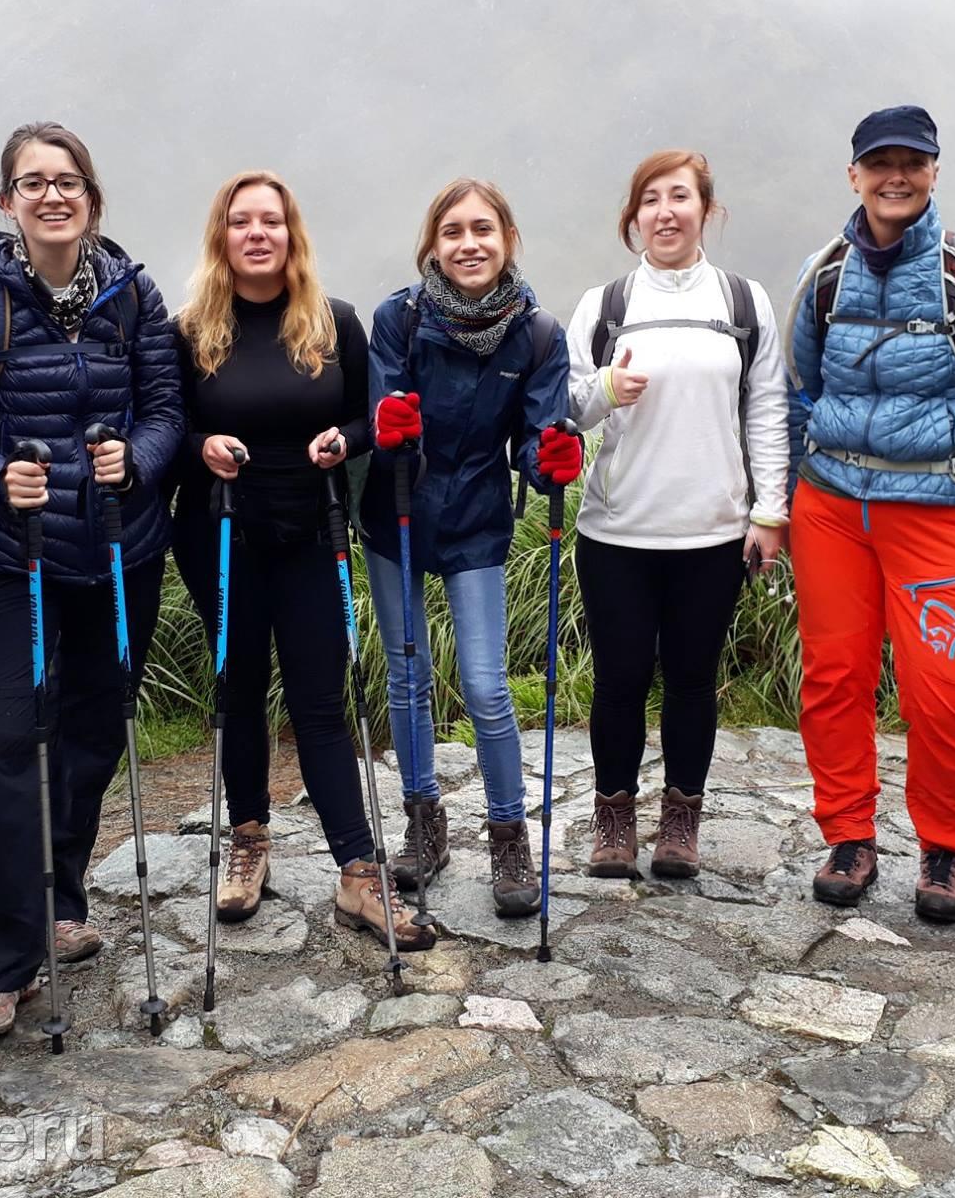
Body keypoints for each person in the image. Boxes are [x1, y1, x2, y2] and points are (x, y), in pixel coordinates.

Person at [0, 121, 182, 1042]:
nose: (53, 195)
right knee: (1, 746)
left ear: (93, 199)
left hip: (120, 549)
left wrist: (138, 463)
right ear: (8, 204)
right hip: (12, 559)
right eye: (33, 183)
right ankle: (0, 965)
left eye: (68, 181)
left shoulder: (134, 297)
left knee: (88, 733)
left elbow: (165, 411)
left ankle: (59, 898)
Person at [787, 106, 955, 923]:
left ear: (934, 172)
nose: (895, 176)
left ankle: (945, 847)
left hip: (938, 512)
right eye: (879, 162)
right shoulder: (825, 271)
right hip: (830, 508)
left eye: (913, 162)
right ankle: (849, 834)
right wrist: (780, 500)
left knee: (943, 692)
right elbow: (798, 390)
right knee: (835, 677)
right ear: (854, 173)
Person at [170, 171, 433, 950]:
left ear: (292, 235)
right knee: (238, 690)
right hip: (220, 534)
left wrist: (346, 441)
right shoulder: (189, 332)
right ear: (222, 236)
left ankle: (358, 872)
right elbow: (164, 426)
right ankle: (248, 839)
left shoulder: (333, 322)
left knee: (322, 701)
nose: (258, 234)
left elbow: (367, 414)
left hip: (314, 533)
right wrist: (198, 447)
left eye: (272, 222)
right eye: (243, 222)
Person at [564, 149, 790, 878]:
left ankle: (682, 821)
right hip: (618, 530)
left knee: (693, 678)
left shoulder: (743, 302)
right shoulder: (605, 306)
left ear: (706, 211)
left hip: (713, 531)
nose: (666, 211)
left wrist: (769, 512)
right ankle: (614, 818)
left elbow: (768, 410)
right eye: (651, 200)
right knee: (621, 679)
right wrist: (607, 387)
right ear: (633, 219)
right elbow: (565, 410)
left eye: (681, 197)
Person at [359, 179, 575, 918]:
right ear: (434, 246)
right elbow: (382, 405)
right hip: (397, 515)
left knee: (485, 687)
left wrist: (549, 456)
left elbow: (538, 436)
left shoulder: (538, 334)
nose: (468, 244)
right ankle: (425, 825)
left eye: (482, 229)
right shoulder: (399, 318)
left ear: (507, 238)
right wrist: (387, 423)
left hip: (477, 521)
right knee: (408, 674)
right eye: (452, 232)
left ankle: (508, 832)